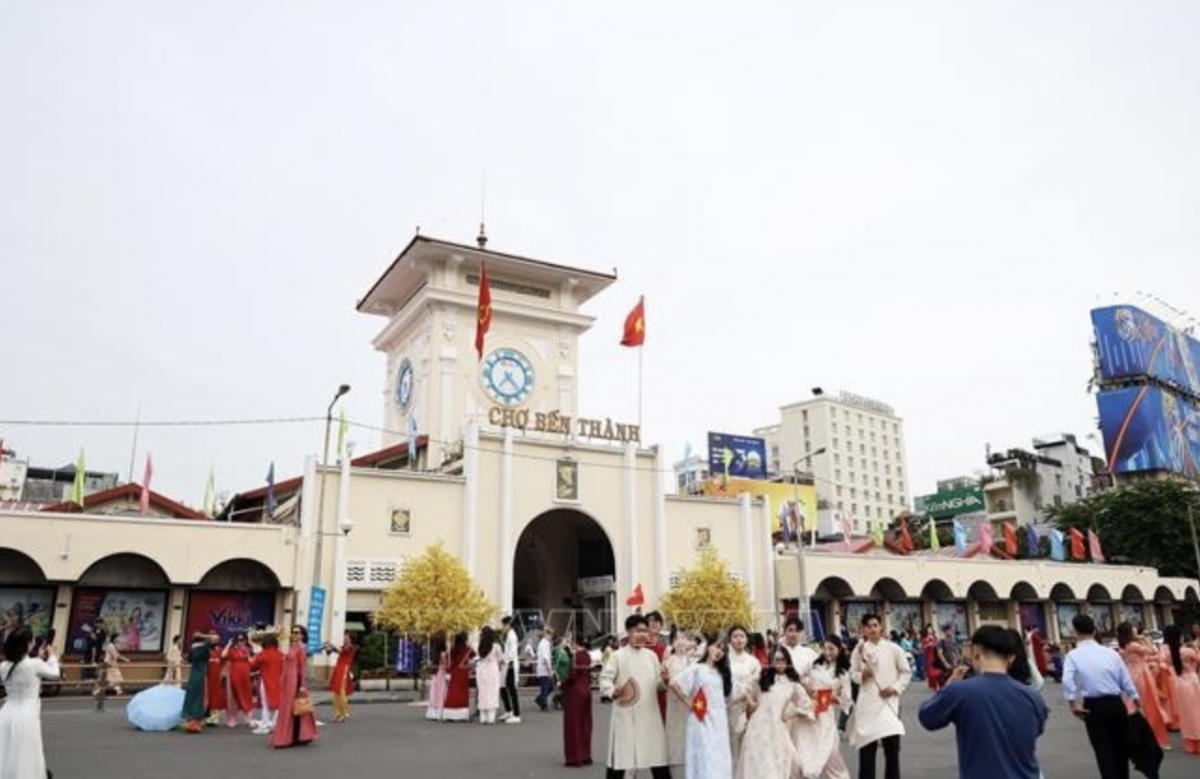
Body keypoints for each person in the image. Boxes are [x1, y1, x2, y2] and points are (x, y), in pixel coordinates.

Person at [918, 625, 1048, 779]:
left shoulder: (960, 691)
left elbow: (927, 717)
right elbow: (1037, 730)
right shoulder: (1032, 696)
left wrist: (948, 686)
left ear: (976, 653)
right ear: (1011, 658)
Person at [1063, 613, 1142, 779]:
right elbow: (1125, 679)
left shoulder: (1073, 655)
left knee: (1102, 750)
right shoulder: (1111, 653)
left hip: (1093, 706)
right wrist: (1135, 699)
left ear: (1075, 631)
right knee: (1120, 747)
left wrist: (1073, 704)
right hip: (1116, 704)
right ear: (1095, 630)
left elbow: (1068, 681)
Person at [599, 613, 670, 779]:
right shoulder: (617, 656)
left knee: (657, 760)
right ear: (628, 632)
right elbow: (605, 680)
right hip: (626, 716)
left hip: (650, 716)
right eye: (638, 631)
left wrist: (665, 681)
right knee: (620, 762)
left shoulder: (652, 657)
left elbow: (657, 684)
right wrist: (613, 691)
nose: (642, 635)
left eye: (645, 631)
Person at [848, 612, 911, 779]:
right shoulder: (859, 650)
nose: (872, 629)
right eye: (868, 626)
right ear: (863, 630)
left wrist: (894, 688)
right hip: (867, 705)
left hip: (889, 703)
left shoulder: (894, 649)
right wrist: (863, 675)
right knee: (867, 751)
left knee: (892, 751)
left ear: (881, 627)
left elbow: (906, 673)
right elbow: (852, 673)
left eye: (875, 625)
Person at [666, 633, 733, 779]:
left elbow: (736, 693)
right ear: (709, 646)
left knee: (719, 758)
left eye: (723, 650)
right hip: (701, 719)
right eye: (717, 647)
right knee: (704, 758)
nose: (719, 651)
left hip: (719, 722)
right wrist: (690, 703)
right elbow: (673, 683)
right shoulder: (697, 668)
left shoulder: (723, 673)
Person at [0, 628, 60, 779]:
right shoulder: (35, 664)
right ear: (27, 644)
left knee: (6, 750)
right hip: (27, 715)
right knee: (26, 752)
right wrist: (52, 655)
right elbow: (55, 674)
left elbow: (23, 670)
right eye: (32, 640)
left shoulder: (3, 666)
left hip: (7, 712)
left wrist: (38, 657)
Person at [735, 646, 802, 779]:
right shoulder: (761, 679)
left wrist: (789, 715)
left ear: (788, 661)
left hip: (778, 731)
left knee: (790, 767)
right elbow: (745, 692)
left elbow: (806, 705)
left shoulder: (793, 684)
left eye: (783, 660)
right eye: (776, 660)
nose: (780, 663)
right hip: (757, 730)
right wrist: (750, 703)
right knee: (759, 769)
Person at [794, 636, 853, 779]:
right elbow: (796, 676)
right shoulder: (814, 664)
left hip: (825, 712)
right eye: (825, 648)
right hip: (808, 711)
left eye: (831, 649)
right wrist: (807, 689)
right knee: (806, 747)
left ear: (839, 650)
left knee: (830, 752)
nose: (827, 652)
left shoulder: (843, 673)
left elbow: (846, 699)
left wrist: (830, 697)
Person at [1116, 621, 1169, 749]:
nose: (1136, 631)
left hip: (1130, 674)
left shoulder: (1123, 646)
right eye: (1133, 629)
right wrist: (1145, 639)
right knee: (1149, 704)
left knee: (1132, 705)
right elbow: (1152, 650)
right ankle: (1151, 737)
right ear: (1129, 632)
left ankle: (1133, 737)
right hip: (1142, 675)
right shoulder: (1133, 645)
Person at [272, 625, 318, 748]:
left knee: (295, 708)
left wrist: (302, 685)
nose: (295, 634)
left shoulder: (302, 648)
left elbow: (302, 668)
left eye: (297, 632)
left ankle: (292, 736)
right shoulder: (293, 646)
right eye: (293, 632)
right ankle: (295, 735)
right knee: (290, 708)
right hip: (288, 681)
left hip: (295, 681)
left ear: (303, 635)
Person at [726, 625, 761, 766]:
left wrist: (753, 701)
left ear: (747, 639)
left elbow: (757, 685)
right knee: (730, 742)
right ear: (730, 640)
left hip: (748, 706)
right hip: (729, 706)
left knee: (748, 743)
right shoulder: (724, 660)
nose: (739, 640)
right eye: (735, 636)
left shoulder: (753, 661)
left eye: (742, 636)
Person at [1164, 624, 1200, 755]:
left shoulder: (1169, 654)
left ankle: (1190, 745)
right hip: (1192, 681)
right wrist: (1195, 648)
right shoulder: (1187, 651)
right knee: (1197, 712)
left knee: (1186, 715)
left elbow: (1165, 663)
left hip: (1179, 683)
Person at [663, 629, 694, 777]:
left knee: (692, 746)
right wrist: (664, 680)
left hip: (692, 709)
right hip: (674, 710)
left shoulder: (695, 661)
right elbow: (659, 684)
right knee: (675, 747)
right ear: (672, 641)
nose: (681, 641)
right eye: (677, 638)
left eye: (684, 637)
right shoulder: (668, 661)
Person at [562, 632, 594, 767]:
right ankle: (586, 755)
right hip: (587, 690)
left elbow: (573, 676)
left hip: (575, 693)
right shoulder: (587, 655)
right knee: (585, 724)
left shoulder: (575, 657)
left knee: (573, 725)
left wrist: (562, 685)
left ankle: (574, 758)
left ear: (575, 643)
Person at [249, 633, 284, 735]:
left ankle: (264, 725)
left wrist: (250, 659)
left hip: (266, 681)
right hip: (279, 681)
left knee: (266, 704)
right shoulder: (280, 654)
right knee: (278, 704)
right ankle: (274, 724)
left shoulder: (263, 654)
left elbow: (252, 666)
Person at [182, 631, 216, 734]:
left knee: (191, 697)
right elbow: (215, 638)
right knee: (200, 698)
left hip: (193, 675)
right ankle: (195, 723)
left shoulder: (192, 649)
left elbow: (188, 660)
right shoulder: (203, 648)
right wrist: (204, 635)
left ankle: (189, 722)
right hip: (201, 675)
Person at [222, 633, 255, 727]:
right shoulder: (232, 650)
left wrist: (251, 643)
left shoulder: (248, 650)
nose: (241, 642)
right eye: (239, 640)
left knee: (246, 694)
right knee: (233, 695)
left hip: (245, 674)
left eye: (243, 640)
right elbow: (223, 655)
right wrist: (229, 644)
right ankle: (232, 718)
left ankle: (248, 717)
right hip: (234, 674)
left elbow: (254, 658)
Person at [325, 631, 357, 723]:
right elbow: (331, 652)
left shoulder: (351, 647)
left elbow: (340, 650)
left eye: (347, 636)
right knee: (336, 692)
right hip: (338, 668)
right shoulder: (344, 647)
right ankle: (338, 713)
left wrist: (331, 645)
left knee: (341, 691)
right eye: (345, 636)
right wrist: (328, 648)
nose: (345, 638)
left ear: (351, 638)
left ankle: (343, 713)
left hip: (343, 669)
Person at [443, 631, 475, 722]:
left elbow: (449, 661)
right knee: (462, 694)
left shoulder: (453, 649)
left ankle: (450, 714)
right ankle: (461, 715)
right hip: (464, 672)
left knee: (453, 692)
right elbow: (475, 657)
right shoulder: (468, 649)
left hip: (454, 673)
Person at [476, 626, 503, 724]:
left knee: (482, 692)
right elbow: (501, 660)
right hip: (492, 670)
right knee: (492, 692)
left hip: (481, 670)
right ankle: (491, 717)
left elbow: (478, 658)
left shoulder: (480, 646)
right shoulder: (496, 646)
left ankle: (483, 717)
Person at [499, 616, 522, 723]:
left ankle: (516, 714)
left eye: (503, 625)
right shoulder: (509, 635)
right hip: (507, 665)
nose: (502, 627)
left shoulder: (512, 636)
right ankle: (509, 711)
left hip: (511, 665)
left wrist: (504, 660)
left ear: (508, 625)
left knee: (512, 689)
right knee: (503, 687)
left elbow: (512, 652)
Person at [425, 636, 449, 722]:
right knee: (441, 692)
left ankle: (432, 712)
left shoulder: (434, 653)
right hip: (441, 674)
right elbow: (446, 664)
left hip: (435, 673)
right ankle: (439, 711)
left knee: (434, 692)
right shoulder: (443, 653)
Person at [535, 626, 555, 712]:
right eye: (551, 635)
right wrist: (549, 671)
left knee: (548, 687)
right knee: (546, 687)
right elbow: (545, 658)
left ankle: (540, 700)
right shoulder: (544, 644)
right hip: (544, 670)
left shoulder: (544, 643)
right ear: (547, 634)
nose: (551, 637)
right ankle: (543, 704)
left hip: (543, 669)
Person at [920, 626, 942, 691]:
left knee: (937, 670)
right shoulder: (924, 638)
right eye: (928, 629)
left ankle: (938, 684)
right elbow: (923, 647)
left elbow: (938, 645)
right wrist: (928, 644)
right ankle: (933, 685)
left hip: (935, 654)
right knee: (931, 671)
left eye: (931, 629)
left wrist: (933, 644)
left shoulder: (935, 637)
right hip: (929, 655)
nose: (930, 630)